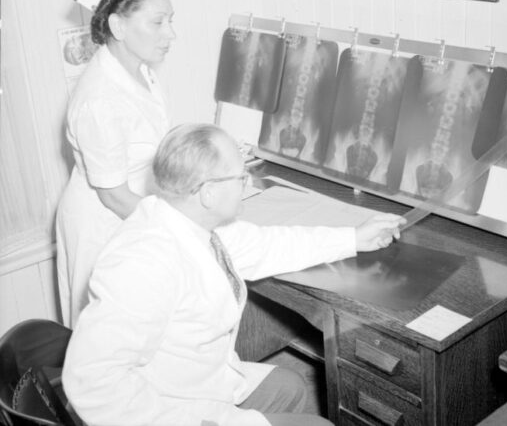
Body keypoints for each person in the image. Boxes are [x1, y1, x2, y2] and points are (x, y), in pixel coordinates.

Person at [62, 123, 405, 426]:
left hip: (197, 383)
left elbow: (269, 244)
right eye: (240, 177)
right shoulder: (142, 263)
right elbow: (90, 381)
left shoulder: (187, 218)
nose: (246, 183)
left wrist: (354, 238)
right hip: (172, 409)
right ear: (208, 192)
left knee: (292, 388)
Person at [56, 0, 176, 327]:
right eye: (158, 23)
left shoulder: (139, 70)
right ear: (118, 26)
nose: (171, 33)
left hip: (134, 215)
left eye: (170, 20)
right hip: (104, 226)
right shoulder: (100, 99)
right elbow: (114, 196)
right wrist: (178, 225)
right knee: (107, 336)